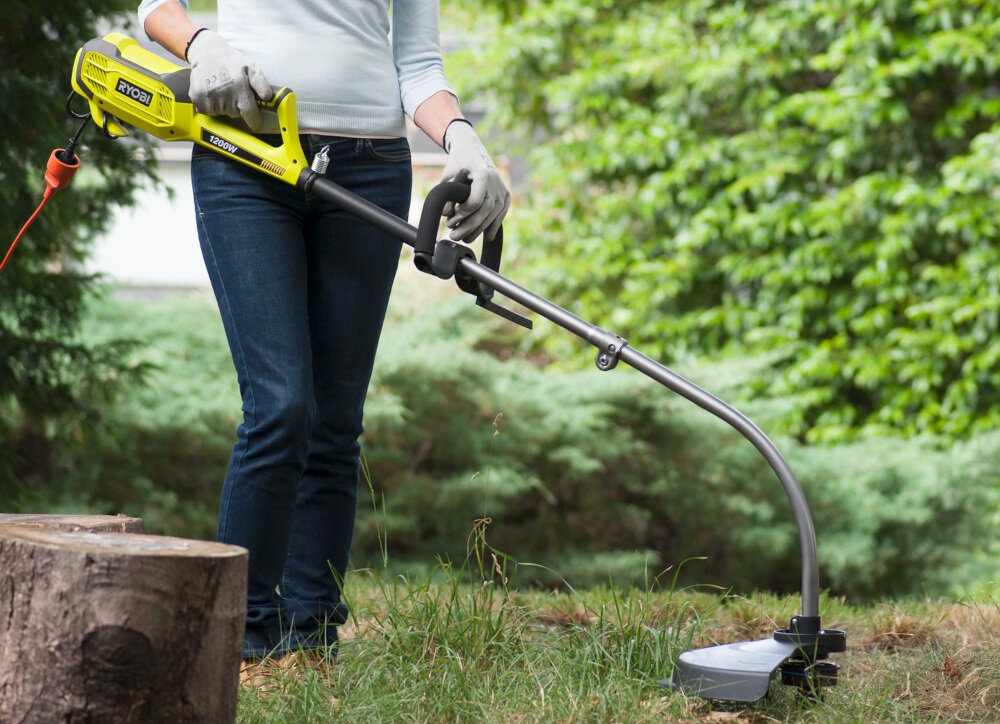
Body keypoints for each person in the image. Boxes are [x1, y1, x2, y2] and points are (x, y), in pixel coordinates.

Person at [138, 0, 510, 663]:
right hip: (244, 152)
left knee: (336, 421)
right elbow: (154, 7)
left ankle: (311, 641)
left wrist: (460, 136)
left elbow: (418, 63)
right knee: (280, 406)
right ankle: (245, 641)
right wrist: (202, 47)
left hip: (372, 168)